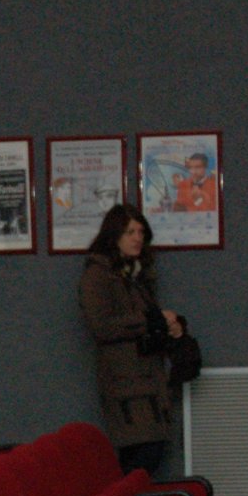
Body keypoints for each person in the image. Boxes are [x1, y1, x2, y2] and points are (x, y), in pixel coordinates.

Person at [80, 203, 183, 475]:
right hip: (126, 383)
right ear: (113, 236)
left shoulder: (136, 275)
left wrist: (169, 326)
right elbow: (101, 327)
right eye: (130, 232)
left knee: (149, 452)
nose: (138, 238)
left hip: (148, 379)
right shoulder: (98, 275)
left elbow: (143, 320)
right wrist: (151, 320)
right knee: (141, 458)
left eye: (141, 231)